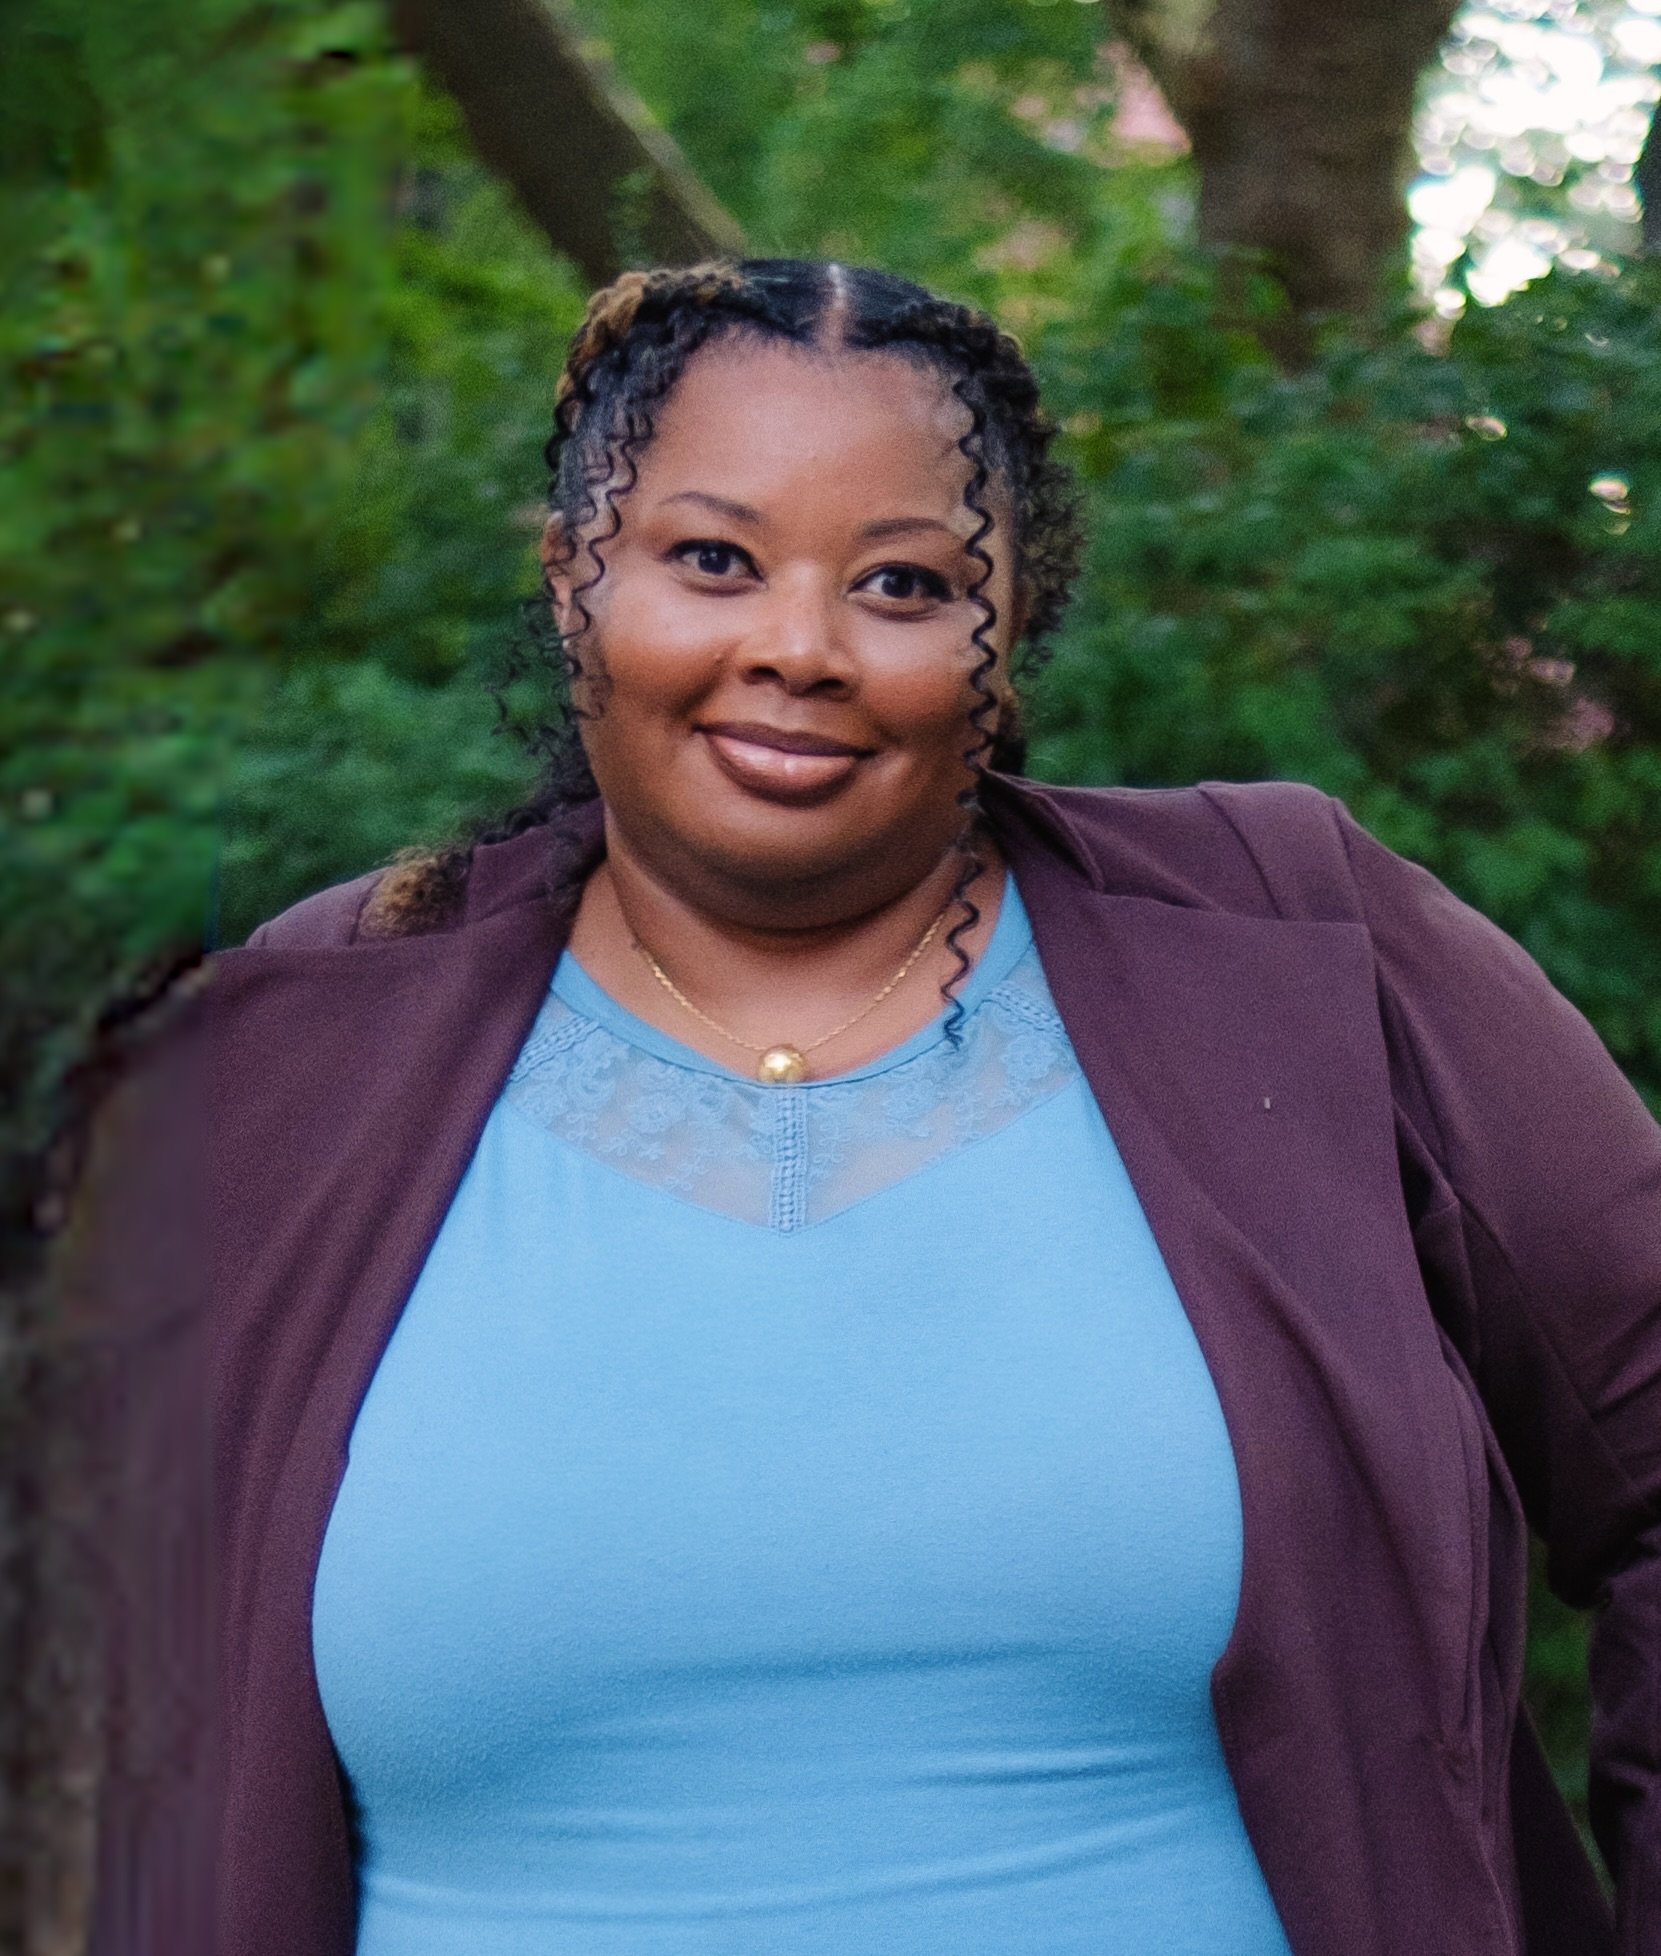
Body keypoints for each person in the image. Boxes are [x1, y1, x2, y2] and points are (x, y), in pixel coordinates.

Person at [54, 258, 1660, 1956]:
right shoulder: (290, 1055)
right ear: (573, 577)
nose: (798, 648)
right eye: (712, 560)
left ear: (1007, 632)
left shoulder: (1294, 946)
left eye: (904, 583)